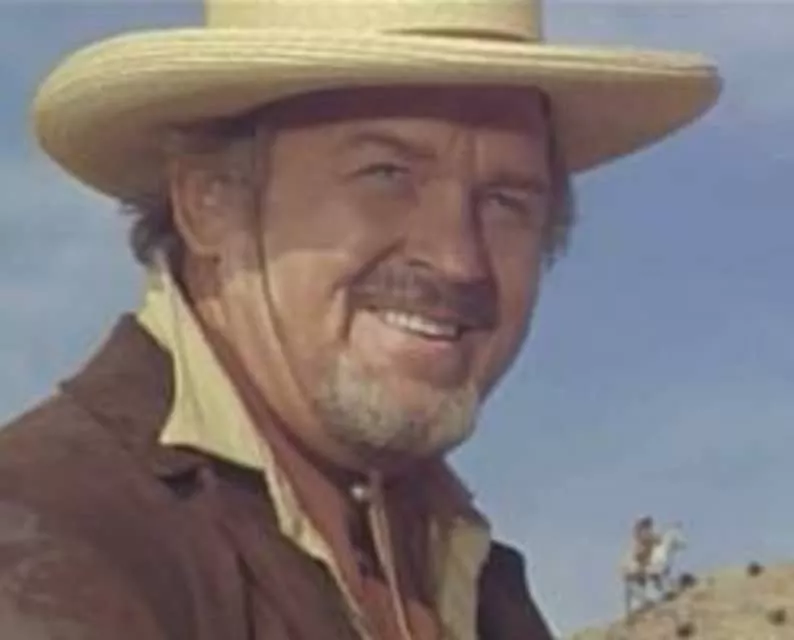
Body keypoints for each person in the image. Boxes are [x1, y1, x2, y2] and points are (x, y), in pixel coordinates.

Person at [0, 0, 721, 638]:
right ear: (210, 201)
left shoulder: (470, 581)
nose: (458, 258)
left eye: (507, 200)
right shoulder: (48, 536)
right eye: (386, 173)